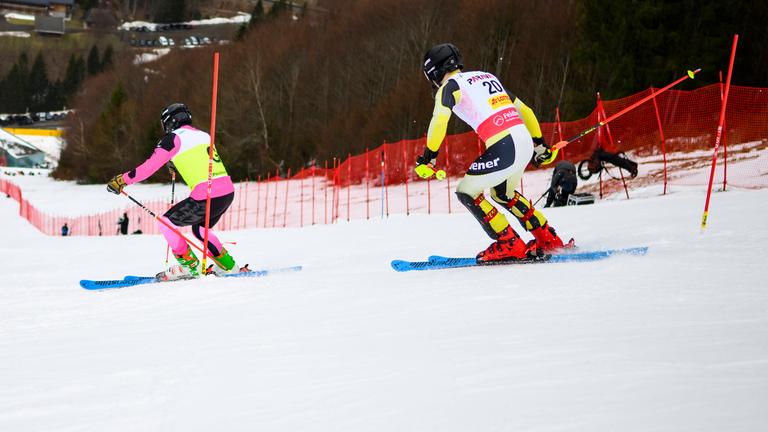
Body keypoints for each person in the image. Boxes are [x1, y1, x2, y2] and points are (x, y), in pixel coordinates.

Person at [416, 43, 572, 263]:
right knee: (503, 194)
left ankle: (508, 243)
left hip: (505, 145)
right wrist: (540, 146)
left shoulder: (449, 87)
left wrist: (429, 157)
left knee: (467, 191)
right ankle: (547, 238)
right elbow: (525, 111)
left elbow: (440, 119)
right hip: (522, 141)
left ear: (434, 72)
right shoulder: (485, 76)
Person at [107, 103, 243, 280]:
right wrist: (175, 161)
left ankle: (190, 268)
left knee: (166, 223)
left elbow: (148, 168)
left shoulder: (172, 139)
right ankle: (229, 266)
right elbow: (199, 162)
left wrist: (122, 180)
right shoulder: (203, 135)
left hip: (206, 194)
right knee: (201, 230)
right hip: (226, 193)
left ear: (169, 122)